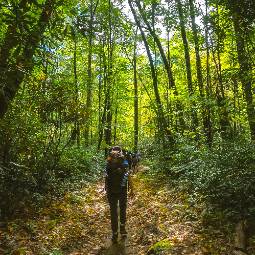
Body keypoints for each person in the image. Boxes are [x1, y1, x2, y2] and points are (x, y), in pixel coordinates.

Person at [104, 145, 134, 243]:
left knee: (113, 210)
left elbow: (105, 176)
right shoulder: (124, 161)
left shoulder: (108, 161)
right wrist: (132, 189)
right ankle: (122, 228)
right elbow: (128, 175)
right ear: (121, 152)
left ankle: (114, 233)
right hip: (122, 189)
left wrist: (105, 189)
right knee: (122, 208)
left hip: (111, 190)